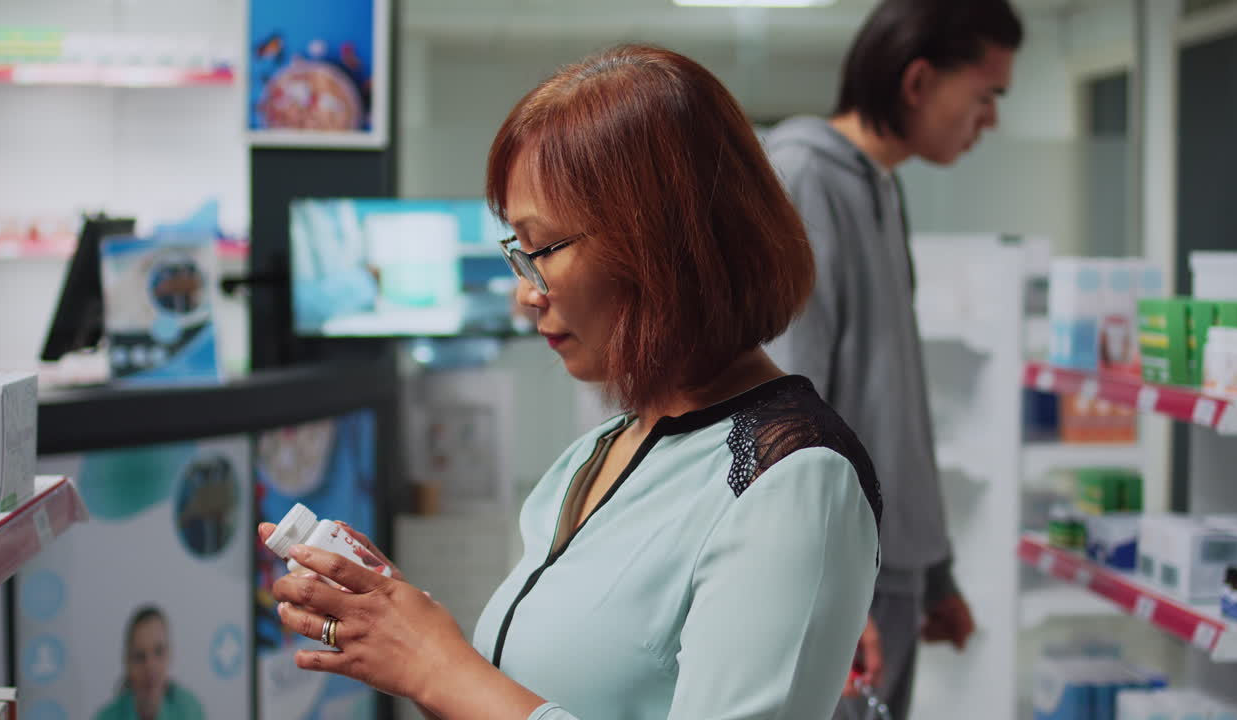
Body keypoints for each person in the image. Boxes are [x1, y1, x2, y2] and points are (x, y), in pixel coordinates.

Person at [258, 44, 882, 720]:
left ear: (664, 243)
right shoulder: (599, 451)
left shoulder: (794, 481)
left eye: (544, 248)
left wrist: (440, 667)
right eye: (516, 252)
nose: (526, 293)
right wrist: (408, 637)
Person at [762, 1, 1023, 717]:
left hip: (891, 569)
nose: (990, 120)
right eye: (985, 96)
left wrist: (935, 575)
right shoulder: (804, 178)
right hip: (843, 575)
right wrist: (819, 591)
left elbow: (894, 400)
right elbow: (784, 406)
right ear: (917, 82)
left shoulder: (881, 185)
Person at [94, 606, 205, 720]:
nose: (151, 667)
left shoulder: (190, 711)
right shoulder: (107, 717)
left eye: (159, 651)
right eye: (140, 656)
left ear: (170, 654)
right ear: (127, 663)